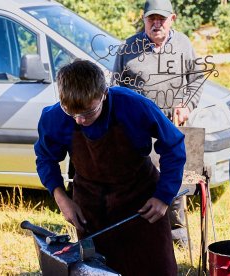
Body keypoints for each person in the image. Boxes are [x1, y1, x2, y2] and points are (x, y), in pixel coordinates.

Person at [34, 59, 186, 275]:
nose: (79, 120)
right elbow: (45, 158)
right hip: (92, 207)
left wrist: (164, 196)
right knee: (99, 270)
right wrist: (62, 199)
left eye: (88, 112)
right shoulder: (55, 117)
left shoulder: (134, 106)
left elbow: (173, 145)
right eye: (72, 112)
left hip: (142, 203)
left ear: (104, 94)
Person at [112, 0, 205, 247]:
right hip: (139, 130)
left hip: (172, 125)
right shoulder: (128, 48)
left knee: (174, 180)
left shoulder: (183, 44)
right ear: (143, 19)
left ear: (172, 19)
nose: (156, 24)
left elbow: (196, 80)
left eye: (161, 19)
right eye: (151, 19)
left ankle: (177, 235)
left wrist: (186, 105)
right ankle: (141, 234)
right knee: (140, 180)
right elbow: (115, 90)